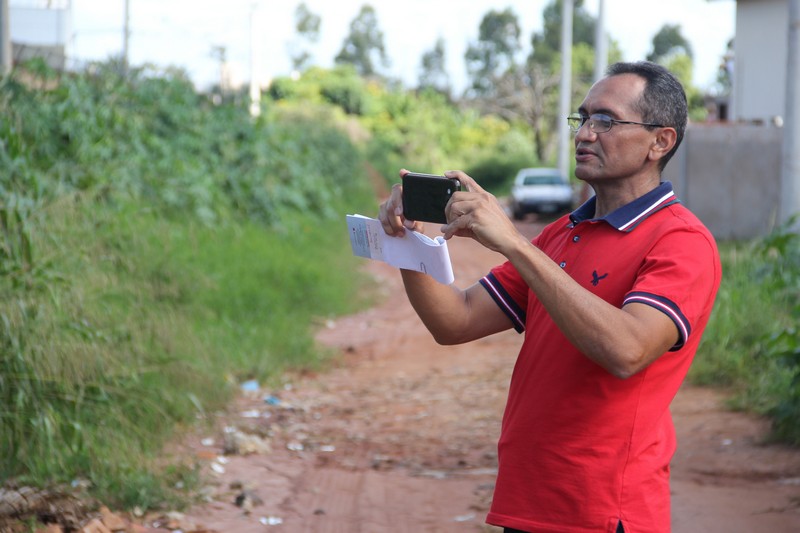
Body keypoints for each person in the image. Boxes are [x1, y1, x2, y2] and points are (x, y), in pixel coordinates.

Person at [377, 61, 721, 533]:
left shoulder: (680, 240)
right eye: (582, 119)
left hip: (604, 511)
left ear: (659, 141)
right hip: (530, 501)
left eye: (606, 120)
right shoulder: (564, 234)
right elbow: (455, 321)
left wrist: (514, 243)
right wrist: (406, 241)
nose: (585, 134)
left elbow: (627, 350)